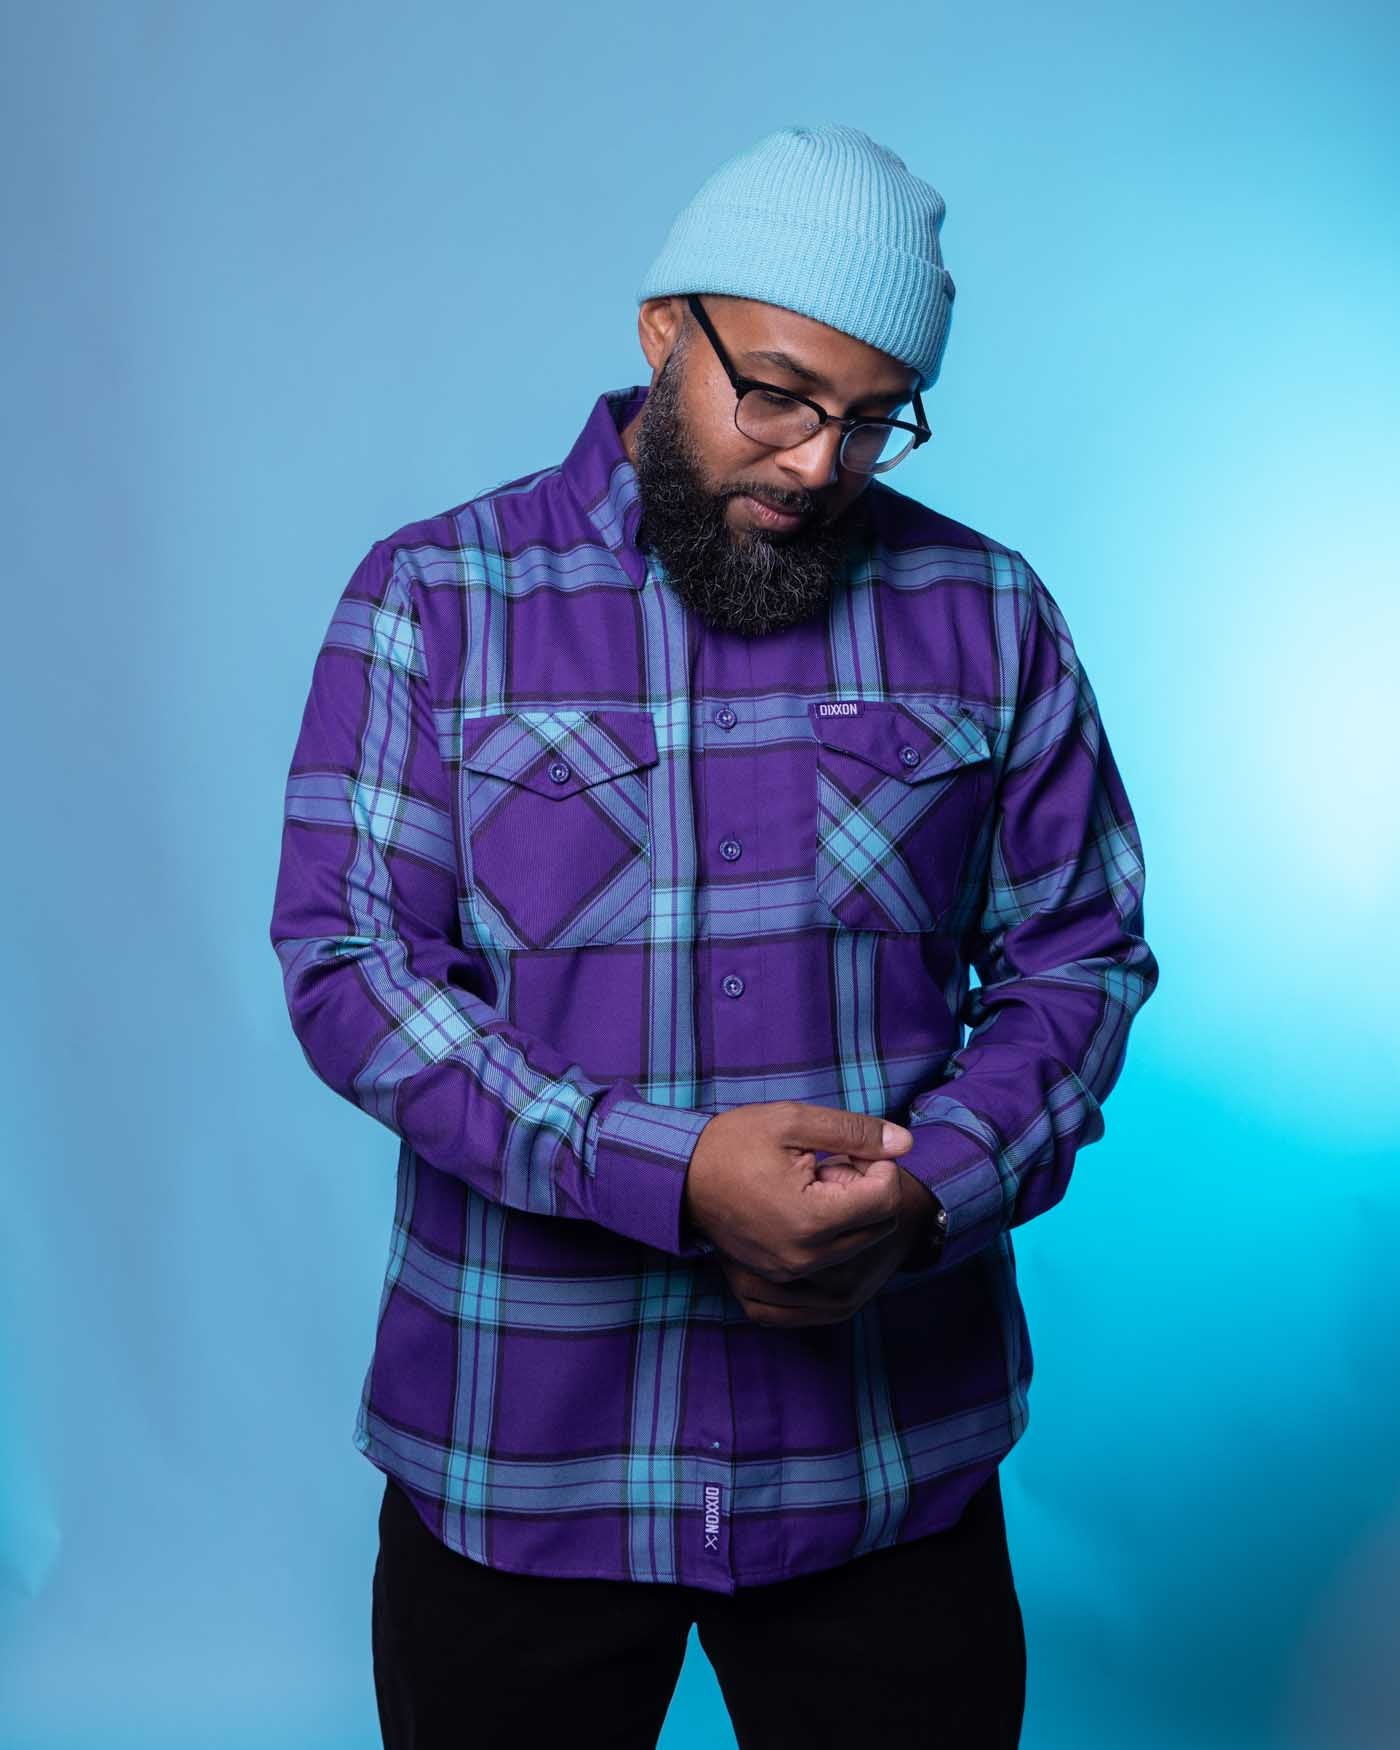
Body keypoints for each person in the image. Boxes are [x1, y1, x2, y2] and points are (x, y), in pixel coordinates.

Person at [269, 122, 1160, 1749]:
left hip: (884, 1467)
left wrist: (934, 1187)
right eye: (780, 394)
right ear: (663, 329)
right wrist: (668, 1173)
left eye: (872, 417)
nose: (819, 462)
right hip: (523, 1453)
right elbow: (354, 970)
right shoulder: (436, 598)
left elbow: (1078, 954)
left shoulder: (989, 613)